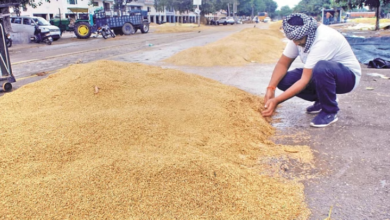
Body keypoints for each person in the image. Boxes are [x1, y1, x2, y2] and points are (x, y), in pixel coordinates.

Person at [261, 13, 361, 128]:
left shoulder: (324, 39)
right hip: (321, 74)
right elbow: (283, 63)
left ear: (309, 33)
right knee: (284, 80)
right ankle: (321, 100)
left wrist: (276, 101)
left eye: (298, 40)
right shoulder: (298, 36)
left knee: (322, 67)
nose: (296, 43)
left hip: (347, 77)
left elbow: (304, 80)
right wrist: (271, 88)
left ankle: (330, 111)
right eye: (293, 40)